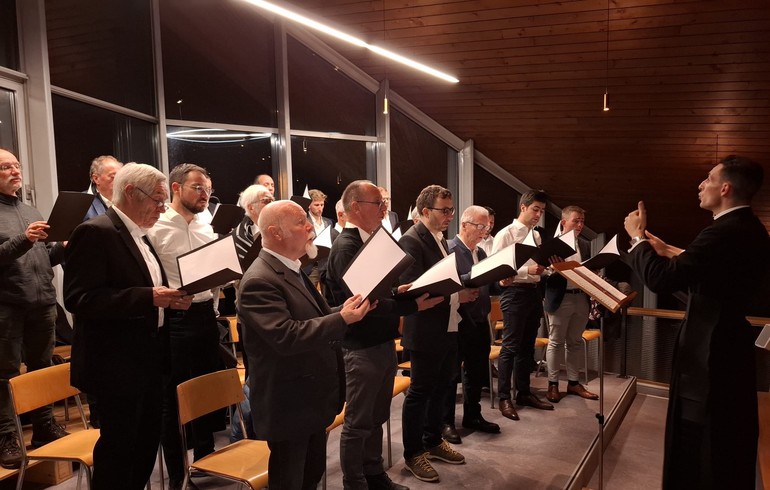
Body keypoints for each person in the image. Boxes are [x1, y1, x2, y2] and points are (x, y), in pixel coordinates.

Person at [622, 155, 770, 489]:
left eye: (708, 179)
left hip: (710, 346)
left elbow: (660, 280)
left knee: (701, 435)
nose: (701, 185)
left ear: (726, 188)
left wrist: (638, 238)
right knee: (723, 433)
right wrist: (669, 249)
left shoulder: (723, 232)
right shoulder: (748, 227)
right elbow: (707, 265)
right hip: (727, 338)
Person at [64, 163, 193, 489]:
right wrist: (147, 297)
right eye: (158, 201)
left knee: (145, 448)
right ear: (132, 193)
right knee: (118, 454)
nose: (162, 209)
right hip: (115, 365)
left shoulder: (141, 235)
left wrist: (170, 301)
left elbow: (146, 294)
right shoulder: (95, 231)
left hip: (148, 360)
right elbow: (79, 299)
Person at [238, 199, 372, 490]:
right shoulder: (259, 280)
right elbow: (286, 336)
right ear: (275, 233)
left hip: (308, 396)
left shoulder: (291, 268)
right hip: (289, 402)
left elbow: (313, 316)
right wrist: (343, 320)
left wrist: (340, 311)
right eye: (301, 222)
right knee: (289, 480)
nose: (311, 227)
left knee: (309, 476)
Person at [326, 180, 442, 490]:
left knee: (376, 417)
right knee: (358, 422)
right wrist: (410, 304)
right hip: (360, 346)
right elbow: (362, 301)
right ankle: (355, 482)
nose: (384, 208)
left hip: (380, 342)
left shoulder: (368, 241)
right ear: (355, 208)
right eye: (377, 203)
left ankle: (374, 474)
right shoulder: (345, 246)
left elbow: (375, 290)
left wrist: (397, 290)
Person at [146, 163, 222, 490]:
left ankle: (206, 458)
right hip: (175, 319)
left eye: (208, 189)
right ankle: (177, 472)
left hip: (206, 314)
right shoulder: (156, 226)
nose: (205, 195)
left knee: (208, 389)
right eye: (198, 188)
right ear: (176, 189)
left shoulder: (206, 225)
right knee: (172, 397)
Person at [398, 185, 479, 483]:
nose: (449, 216)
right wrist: (455, 294)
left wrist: (463, 290)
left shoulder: (438, 238)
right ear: (424, 212)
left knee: (443, 386)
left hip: (447, 324)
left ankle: (432, 441)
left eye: (451, 210)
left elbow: (446, 278)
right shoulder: (412, 240)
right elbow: (413, 287)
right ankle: (412, 452)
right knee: (419, 392)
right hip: (426, 327)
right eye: (444, 211)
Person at [0, 148, 68, 469]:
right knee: (6, 374)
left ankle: (43, 426)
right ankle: (7, 436)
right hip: (7, 307)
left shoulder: (30, 209)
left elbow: (43, 258)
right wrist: (24, 241)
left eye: (16, 165)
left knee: (42, 368)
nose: (15, 171)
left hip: (42, 302)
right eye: (5, 167)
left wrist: (63, 248)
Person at [441, 205, 501, 444]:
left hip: (479, 320)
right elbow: (446, 283)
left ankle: (472, 415)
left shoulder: (481, 253)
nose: (484, 232)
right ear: (464, 225)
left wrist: (502, 282)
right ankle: (446, 422)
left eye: (486, 227)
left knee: (476, 372)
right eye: (479, 226)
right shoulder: (449, 249)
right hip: (458, 321)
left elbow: (489, 287)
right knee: (451, 374)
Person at [492, 189, 553, 420]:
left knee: (527, 347)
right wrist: (528, 270)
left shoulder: (537, 236)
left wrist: (547, 268)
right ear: (523, 207)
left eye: (542, 211)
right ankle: (504, 398)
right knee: (510, 347)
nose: (538, 214)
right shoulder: (505, 234)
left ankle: (524, 392)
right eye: (535, 209)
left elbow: (539, 267)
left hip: (533, 292)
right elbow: (497, 268)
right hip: (514, 292)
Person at [543, 206, 598, 403]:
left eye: (582, 221)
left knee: (575, 342)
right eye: (576, 220)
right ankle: (553, 384)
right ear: (564, 222)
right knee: (556, 342)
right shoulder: (551, 243)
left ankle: (574, 383)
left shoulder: (584, 244)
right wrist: (552, 270)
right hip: (560, 298)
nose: (580, 225)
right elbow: (541, 273)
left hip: (580, 297)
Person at [234, 184, 274, 262]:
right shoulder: (239, 237)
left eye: (272, 200)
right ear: (251, 207)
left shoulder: (280, 226)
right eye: (266, 200)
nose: (272, 204)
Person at [305, 189, 333, 288]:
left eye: (322, 205)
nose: (320, 208)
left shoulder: (328, 222)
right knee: (310, 294)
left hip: (326, 264)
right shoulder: (305, 221)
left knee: (327, 296)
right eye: (316, 205)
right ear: (309, 205)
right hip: (312, 265)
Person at [85, 155, 123, 220]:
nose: (118, 180)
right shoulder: (83, 204)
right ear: (96, 179)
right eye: (113, 177)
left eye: (120, 176)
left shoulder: (127, 201)